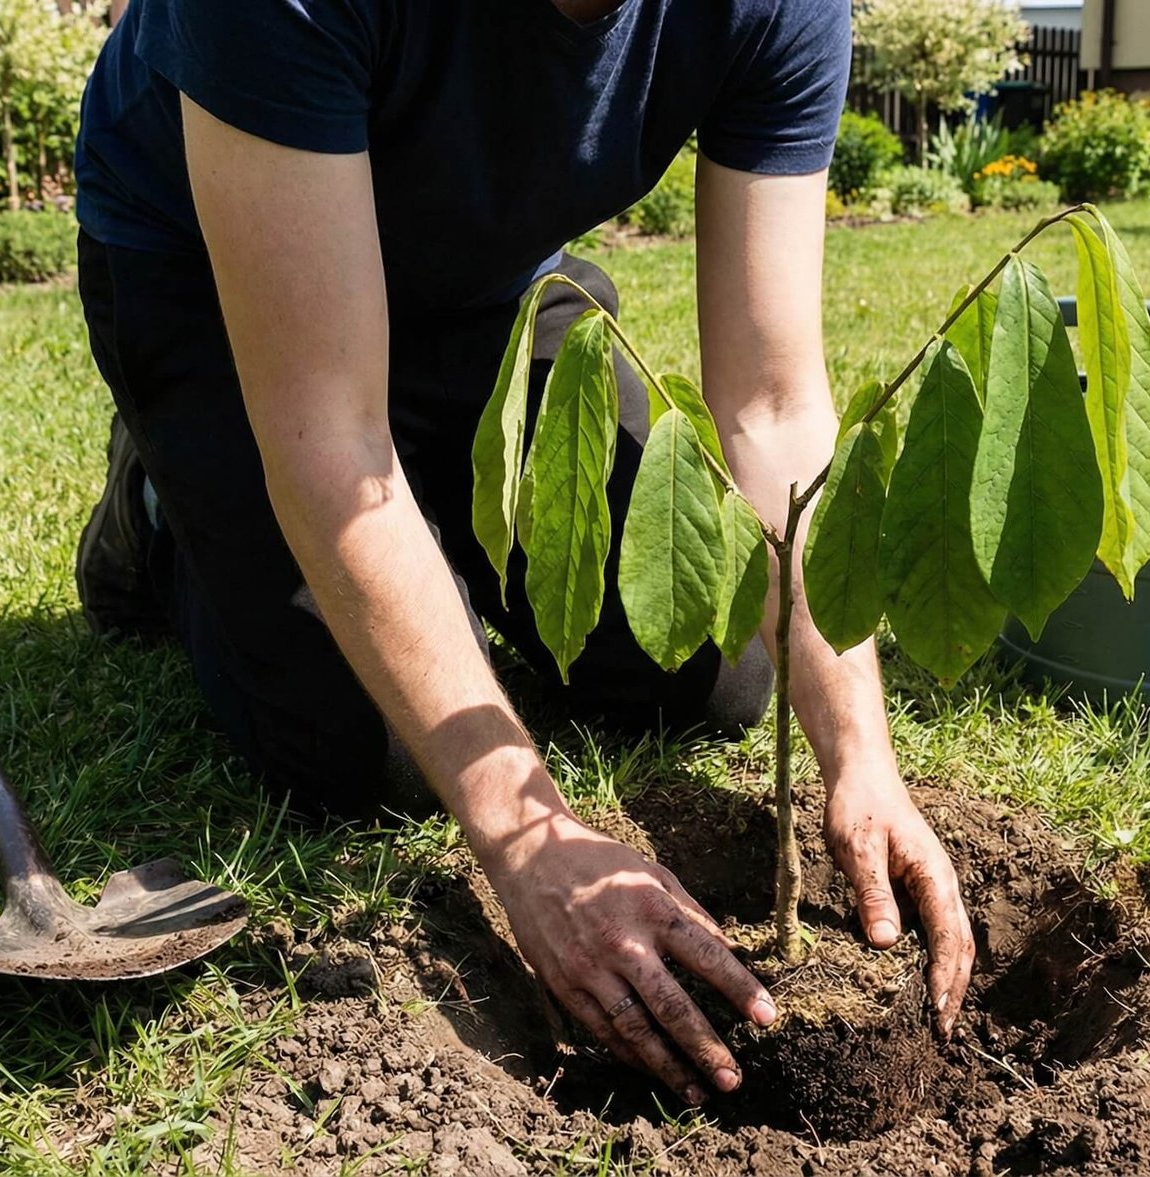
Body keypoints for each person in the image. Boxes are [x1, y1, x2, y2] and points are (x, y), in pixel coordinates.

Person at [72, 0, 974, 1106]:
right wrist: (524, 838)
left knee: (709, 660)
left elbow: (774, 405)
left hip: (484, 288)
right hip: (216, 270)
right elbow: (328, 439)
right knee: (369, 743)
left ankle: (431, 517)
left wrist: (857, 752)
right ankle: (166, 503)